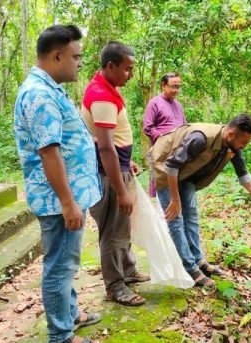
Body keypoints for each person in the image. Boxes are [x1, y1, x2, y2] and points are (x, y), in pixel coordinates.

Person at [13, 25, 102, 343]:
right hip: (59, 201)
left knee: (66, 263)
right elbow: (49, 153)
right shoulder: (39, 94)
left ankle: (70, 314)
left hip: (66, 197)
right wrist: (67, 202)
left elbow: (62, 142)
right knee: (59, 267)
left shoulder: (49, 88)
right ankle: (61, 335)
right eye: (76, 57)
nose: (79, 63)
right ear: (56, 55)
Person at [150, 113, 251, 288]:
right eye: (244, 142)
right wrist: (175, 199)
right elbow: (172, 165)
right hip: (165, 167)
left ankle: (198, 261)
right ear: (230, 135)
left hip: (188, 173)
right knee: (175, 219)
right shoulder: (200, 138)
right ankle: (189, 268)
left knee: (191, 217)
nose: (245, 146)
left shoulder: (232, 146)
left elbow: (245, 178)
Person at [80, 41, 150, 307]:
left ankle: (128, 270)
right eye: (127, 69)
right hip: (109, 177)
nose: (130, 75)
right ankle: (115, 286)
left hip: (117, 168)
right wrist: (121, 190)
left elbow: (111, 141)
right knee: (113, 232)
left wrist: (126, 161)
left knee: (122, 228)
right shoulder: (102, 96)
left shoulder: (104, 87)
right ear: (111, 66)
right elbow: (106, 146)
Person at [143, 72, 187, 197]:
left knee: (178, 187)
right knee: (162, 187)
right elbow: (148, 127)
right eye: (173, 86)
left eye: (178, 86)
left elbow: (184, 126)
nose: (176, 90)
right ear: (163, 85)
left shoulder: (178, 105)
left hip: (178, 153)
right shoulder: (154, 103)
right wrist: (166, 139)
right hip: (161, 152)